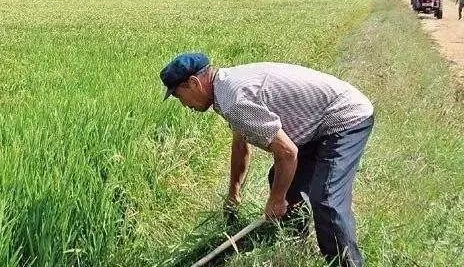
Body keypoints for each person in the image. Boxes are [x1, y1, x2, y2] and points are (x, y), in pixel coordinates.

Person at [160, 52, 374, 267]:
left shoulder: (234, 100)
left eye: (179, 96)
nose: (183, 104)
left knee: (326, 200)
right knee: (282, 180)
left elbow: (288, 153)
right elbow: (240, 144)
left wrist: (276, 200)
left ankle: (348, 263)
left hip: (345, 117)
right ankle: (293, 245)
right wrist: (234, 191)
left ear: (194, 83)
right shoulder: (225, 87)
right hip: (319, 122)